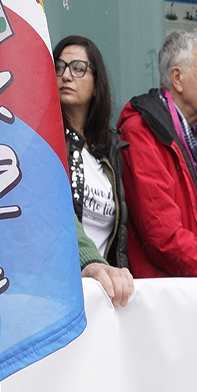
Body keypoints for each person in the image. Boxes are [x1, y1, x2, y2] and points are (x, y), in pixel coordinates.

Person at [117, 30, 197, 278]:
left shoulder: (196, 141)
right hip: (171, 295)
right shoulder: (141, 131)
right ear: (177, 77)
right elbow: (163, 237)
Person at [56, 36, 133, 307]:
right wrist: (90, 262)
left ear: (97, 85)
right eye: (59, 67)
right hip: (60, 293)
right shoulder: (45, 141)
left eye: (78, 68)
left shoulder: (109, 151)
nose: (66, 75)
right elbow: (56, 213)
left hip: (102, 295)